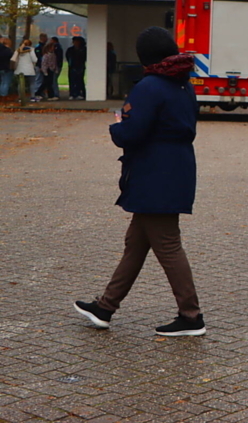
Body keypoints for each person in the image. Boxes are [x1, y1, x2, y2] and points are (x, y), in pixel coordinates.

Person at [74, 26, 206, 337]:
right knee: (136, 243)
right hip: (177, 168)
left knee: (168, 244)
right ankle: (105, 306)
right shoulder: (184, 84)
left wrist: (116, 125)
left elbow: (131, 134)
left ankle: (191, 315)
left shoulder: (150, 86)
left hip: (153, 174)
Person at [12, 38, 37, 106]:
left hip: (19, 69)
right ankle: (32, 97)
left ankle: (20, 98)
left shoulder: (18, 50)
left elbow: (13, 59)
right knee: (32, 83)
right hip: (29, 70)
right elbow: (34, 59)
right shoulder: (31, 50)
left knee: (20, 84)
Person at [67, 36, 87, 100]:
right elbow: (68, 57)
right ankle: (72, 94)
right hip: (72, 67)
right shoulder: (70, 50)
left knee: (79, 80)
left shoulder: (83, 49)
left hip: (80, 67)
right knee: (72, 81)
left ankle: (79, 93)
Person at [32, 32, 47, 98]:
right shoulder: (38, 47)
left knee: (43, 80)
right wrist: (40, 66)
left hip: (43, 65)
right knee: (39, 80)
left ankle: (41, 92)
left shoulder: (44, 46)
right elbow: (38, 57)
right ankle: (36, 92)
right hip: (39, 66)